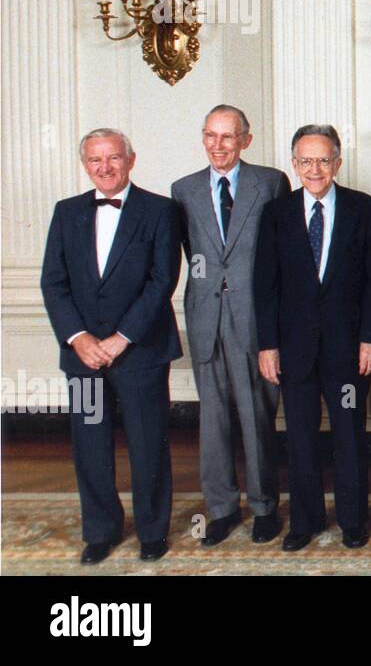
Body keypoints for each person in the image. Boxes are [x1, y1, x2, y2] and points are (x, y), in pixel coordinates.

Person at [40, 129, 182, 563]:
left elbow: (163, 281)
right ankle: (100, 531)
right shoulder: (66, 212)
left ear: (131, 159)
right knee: (90, 444)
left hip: (140, 352)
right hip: (83, 357)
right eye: (95, 160)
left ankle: (153, 531)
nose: (105, 167)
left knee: (147, 442)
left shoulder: (161, 210)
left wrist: (122, 338)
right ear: (85, 165)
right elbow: (54, 282)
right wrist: (80, 338)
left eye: (113, 158)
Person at [254, 124, 371, 552]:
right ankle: (303, 523)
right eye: (306, 161)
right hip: (294, 351)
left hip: (348, 352)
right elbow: (265, 285)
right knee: (301, 437)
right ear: (294, 165)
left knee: (348, 435)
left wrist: (370, 338)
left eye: (323, 160)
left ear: (338, 163)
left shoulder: (364, 209)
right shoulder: (276, 214)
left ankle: (352, 521)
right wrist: (268, 346)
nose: (315, 168)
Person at [171, 104, 290, 547]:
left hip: (255, 317)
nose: (217, 145)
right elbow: (192, 252)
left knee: (258, 415)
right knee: (213, 419)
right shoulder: (182, 190)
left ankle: (263, 506)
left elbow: (282, 248)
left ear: (246, 139)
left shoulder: (271, 182)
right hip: (206, 316)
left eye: (227, 136)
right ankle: (220, 508)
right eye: (210, 136)